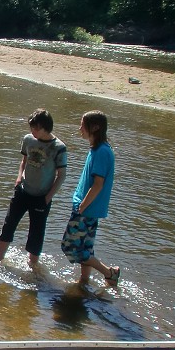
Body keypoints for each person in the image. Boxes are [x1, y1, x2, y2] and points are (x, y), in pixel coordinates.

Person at [0, 108, 67, 267]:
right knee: (8, 226)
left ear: (46, 128)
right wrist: (19, 177)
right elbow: (24, 161)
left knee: (36, 235)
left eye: (36, 128)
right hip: (22, 191)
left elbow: (61, 175)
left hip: (42, 197)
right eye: (31, 127)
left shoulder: (58, 147)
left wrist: (48, 198)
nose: (33, 131)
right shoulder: (28, 139)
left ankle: (33, 268)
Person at [60, 110, 120, 287]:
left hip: (86, 209)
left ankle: (109, 272)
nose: (80, 128)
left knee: (70, 246)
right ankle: (84, 282)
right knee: (85, 247)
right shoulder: (98, 149)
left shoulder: (101, 152)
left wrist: (83, 206)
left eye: (82, 125)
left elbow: (98, 184)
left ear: (94, 127)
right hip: (89, 209)